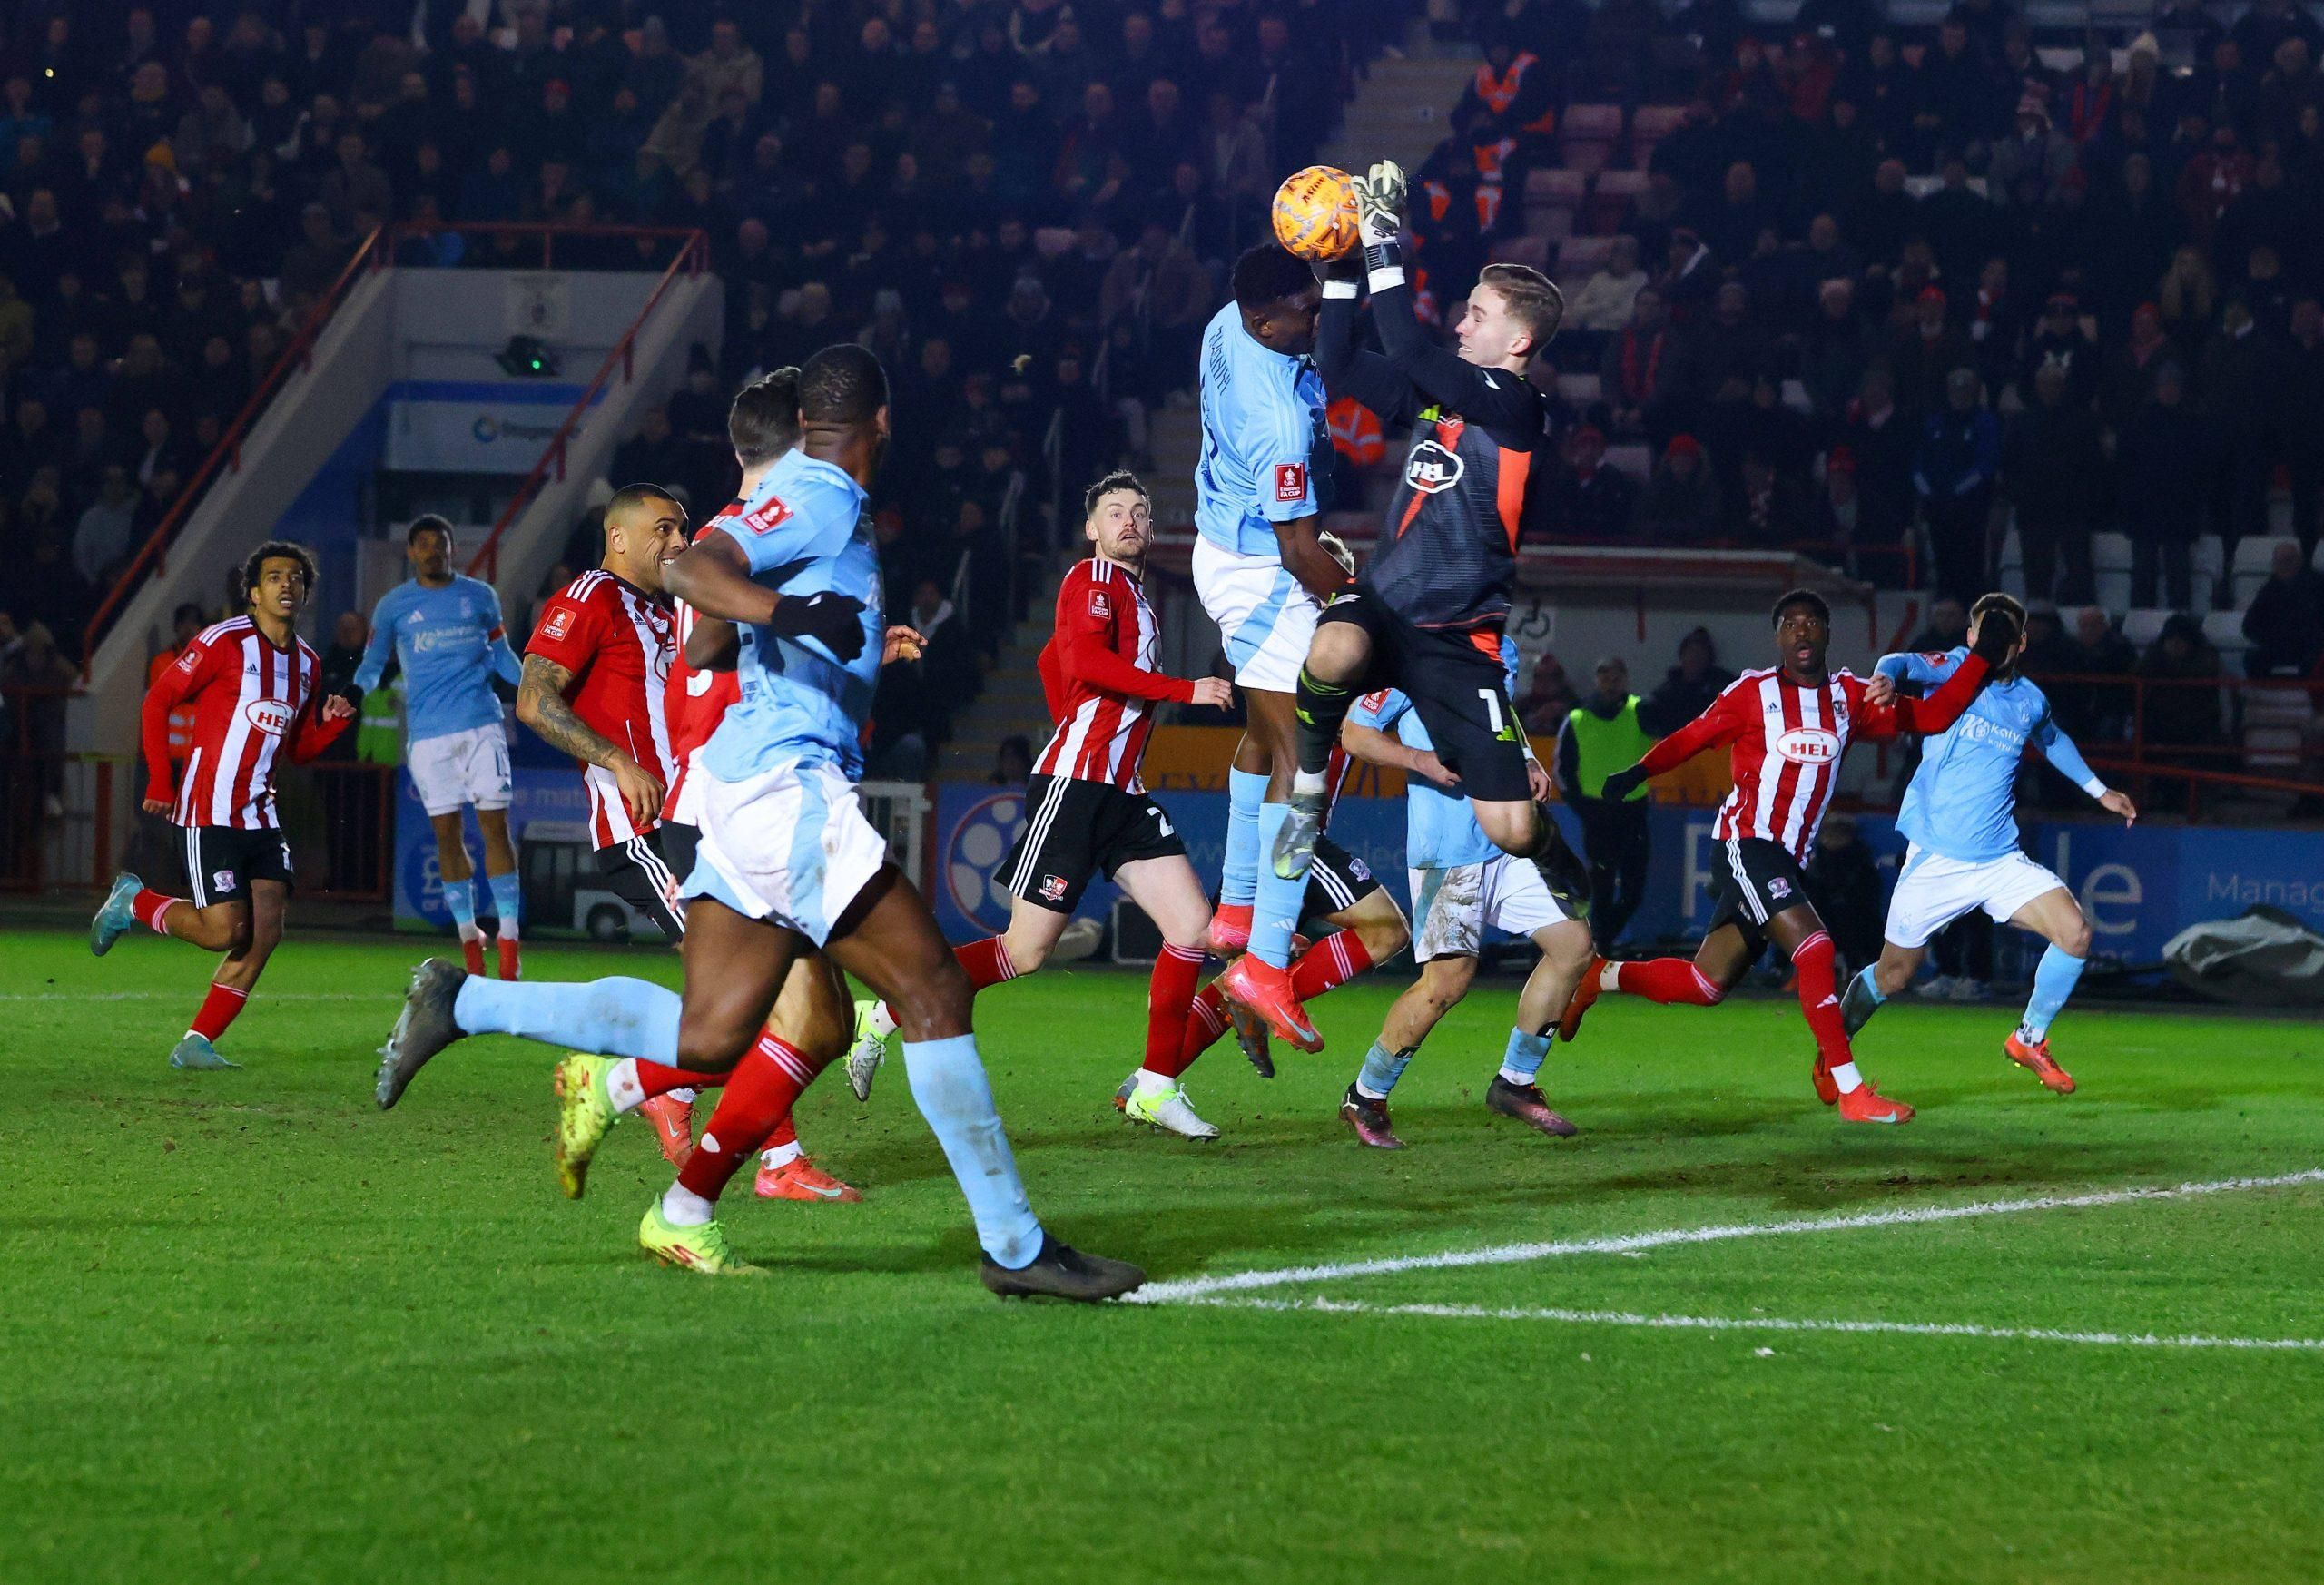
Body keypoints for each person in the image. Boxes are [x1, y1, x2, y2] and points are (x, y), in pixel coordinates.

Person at [617, 342, 1142, 1295]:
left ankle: (648, 1157)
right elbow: (695, 577)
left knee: (741, 1032)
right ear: (882, 422)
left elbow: (706, 624)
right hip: (776, 793)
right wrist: (789, 617)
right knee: (924, 993)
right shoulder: (816, 495)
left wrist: (822, 637)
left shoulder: (804, 504)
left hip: (753, 793)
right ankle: (1015, 1248)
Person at [377, 373, 873, 1206]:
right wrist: (616, 760)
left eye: (682, 527)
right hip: (643, 826)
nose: (677, 540)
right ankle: (760, 1152)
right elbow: (534, 700)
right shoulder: (590, 596)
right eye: (662, 530)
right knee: (754, 1002)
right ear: (617, 537)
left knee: (803, 1004)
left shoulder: (669, 609)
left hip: (706, 819)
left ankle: (661, 1092)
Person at [1274, 158, 1587, 1048]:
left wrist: (1384, 243)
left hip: (1458, 639)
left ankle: (1561, 868)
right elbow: (1339, 359)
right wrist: (1343, 268)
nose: (1461, 321)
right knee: (1332, 650)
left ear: (1518, 343)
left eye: (1478, 315)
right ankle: (1306, 794)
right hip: (1387, 607)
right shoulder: (1439, 397)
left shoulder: (1515, 409)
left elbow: (1410, 349)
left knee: (1510, 827)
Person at [846, 473, 1234, 1136]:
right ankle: (882, 1013)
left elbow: (1053, 660)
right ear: (1092, 529)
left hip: (1122, 791)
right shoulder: (1092, 579)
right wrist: (1179, 691)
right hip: (1077, 785)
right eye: (1114, 512)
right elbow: (1085, 661)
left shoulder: (1136, 596)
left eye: (1139, 512)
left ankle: (1156, 1086)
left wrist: (1080, 723)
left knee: (1192, 931)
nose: (1129, 521)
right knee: (1024, 952)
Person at [1557, 589, 2016, 1123]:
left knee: (1706, 984)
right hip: (1746, 843)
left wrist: (1981, 657)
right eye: (1790, 624)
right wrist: (1639, 772)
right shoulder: (1752, 692)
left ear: (1826, 633)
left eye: (1812, 622)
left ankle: (1599, 975)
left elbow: (1933, 716)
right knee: (1816, 948)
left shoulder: (1850, 696)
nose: (1802, 630)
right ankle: (1850, 1088)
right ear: (1778, 637)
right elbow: (1694, 736)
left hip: (1786, 857)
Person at [1843, 594, 2140, 1090]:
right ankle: (1834, 1045)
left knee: (2075, 934)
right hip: (1937, 860)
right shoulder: (1952, 670)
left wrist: (2100, 791)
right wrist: (1884, 678)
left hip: (1999, 860)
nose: (1993, 643)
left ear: (2021, 644)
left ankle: (2029, 1038)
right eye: (1985, 633)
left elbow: (2051, 738)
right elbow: (1901, 661)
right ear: (1971, 637)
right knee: (1894, 976)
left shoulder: (2029, 700)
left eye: (2005, 636)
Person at [89, 542, 355, 1068]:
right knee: (225, 932)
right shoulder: (224, 641)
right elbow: (158, 700)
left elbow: (296, 748)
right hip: (208, 810)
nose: (286, 584)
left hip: (261, 815)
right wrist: (160, 779)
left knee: (267, 930)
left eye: (296, 577)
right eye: (274, 577)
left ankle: (197, 1042)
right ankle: (134, 902)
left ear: (305, 593)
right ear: (253, 593)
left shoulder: (308, 664)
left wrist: (331, 727)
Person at [1335, 633, 1594, 1147]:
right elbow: (1355, 734)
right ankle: (1365, 1096)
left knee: (1573, 947)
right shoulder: (1411, 655)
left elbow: (1500, 714)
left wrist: (1526, 758)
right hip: (1448, 849)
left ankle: (1514, 1083)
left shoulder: (1503, 647)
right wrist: (1421, 760)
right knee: (1446, 984)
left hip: (1506, 838)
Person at [1187, 243, 1340, 1009]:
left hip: (1225, 545)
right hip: (1264, 575)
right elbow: (1300, 552)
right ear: (1264, 321)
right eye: (1305, 310)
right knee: (1305, 763)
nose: (1317, 316)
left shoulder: (1226, 322)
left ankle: (1236, 910)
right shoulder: (1276, 421)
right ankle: (1267, 959)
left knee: (1261, 732)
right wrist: (1358, 605)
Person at [352, 517, 526, 979]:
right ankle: (470, 940)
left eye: (441, 544)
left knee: (495, 829)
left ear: (453, 549)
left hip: (482, 725)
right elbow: (372, 663)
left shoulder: (480, 597)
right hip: (429, 737)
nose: (433, 551)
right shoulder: (394, 606)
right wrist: (350, 693)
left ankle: (509, 941)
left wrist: (536, 687)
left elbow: (502, 655)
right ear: (411, 552)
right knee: (447, 837)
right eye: (425, 545)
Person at [1555, 656, 1654, 950]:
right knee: (1602, 887)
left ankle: (1600, 940)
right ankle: (1600, 946)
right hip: (1598, 815)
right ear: (1597, 680)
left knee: (1633, 892)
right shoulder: (1577, 718)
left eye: (1616, 678)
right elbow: (1562, 770)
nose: (1611, 684)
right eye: (1605, 678)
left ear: (1625, 679)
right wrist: (1583, 809)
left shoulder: (1640, 710)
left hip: (1633, 812)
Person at [2242, 540, 2324, 677]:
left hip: (2311, 646)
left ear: (2299, 561)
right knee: (2253, 660)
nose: (2284, 565)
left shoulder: (2318, 584)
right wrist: (2273, 637)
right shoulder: (2269, 590)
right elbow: (2249, 625)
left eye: (2289, 560)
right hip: (2279, 645)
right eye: (2279, 561)